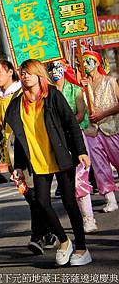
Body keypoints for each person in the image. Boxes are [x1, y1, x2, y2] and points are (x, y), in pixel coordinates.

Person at [5, 59, 92, 266]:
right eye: (22, 72)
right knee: (42, 203)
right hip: (37, 160)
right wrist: (18, 166)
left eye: (29, 72)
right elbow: (20, 137)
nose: (25, 75)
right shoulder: (18, 104)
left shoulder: (52, 95)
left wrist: (80, 151)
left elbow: (71, 122)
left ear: (38, 75)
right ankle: (64, 241)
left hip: (61, 157)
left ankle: (82, 248)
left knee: (70, 203)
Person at [0, 59, 58, 254]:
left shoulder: (23, 93)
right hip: (12, 155)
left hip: (32, 149)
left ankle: (37, 236)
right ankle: (50, 232)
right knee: (31, 196)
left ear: (10, 72)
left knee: (36, 197)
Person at [47, 60, 97, 232]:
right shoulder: (47, 95)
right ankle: (78, 219)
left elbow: (80, 113)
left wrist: (64, 126)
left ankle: (89, 218)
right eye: (51, 69)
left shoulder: (75, 90)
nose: (54, 72)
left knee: (80, 179)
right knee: (68, 184)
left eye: (57, 68)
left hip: (75, 138)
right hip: (57, 142)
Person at [81, 50, 119, 213]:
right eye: (83, 62)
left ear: (97, 63)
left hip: (112, 128)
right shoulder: (82, 86)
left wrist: (103, 114)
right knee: (100, 166)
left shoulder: (110, 81)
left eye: (89, 61)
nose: (86, 65)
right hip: (92, 132)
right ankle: (110, 198)